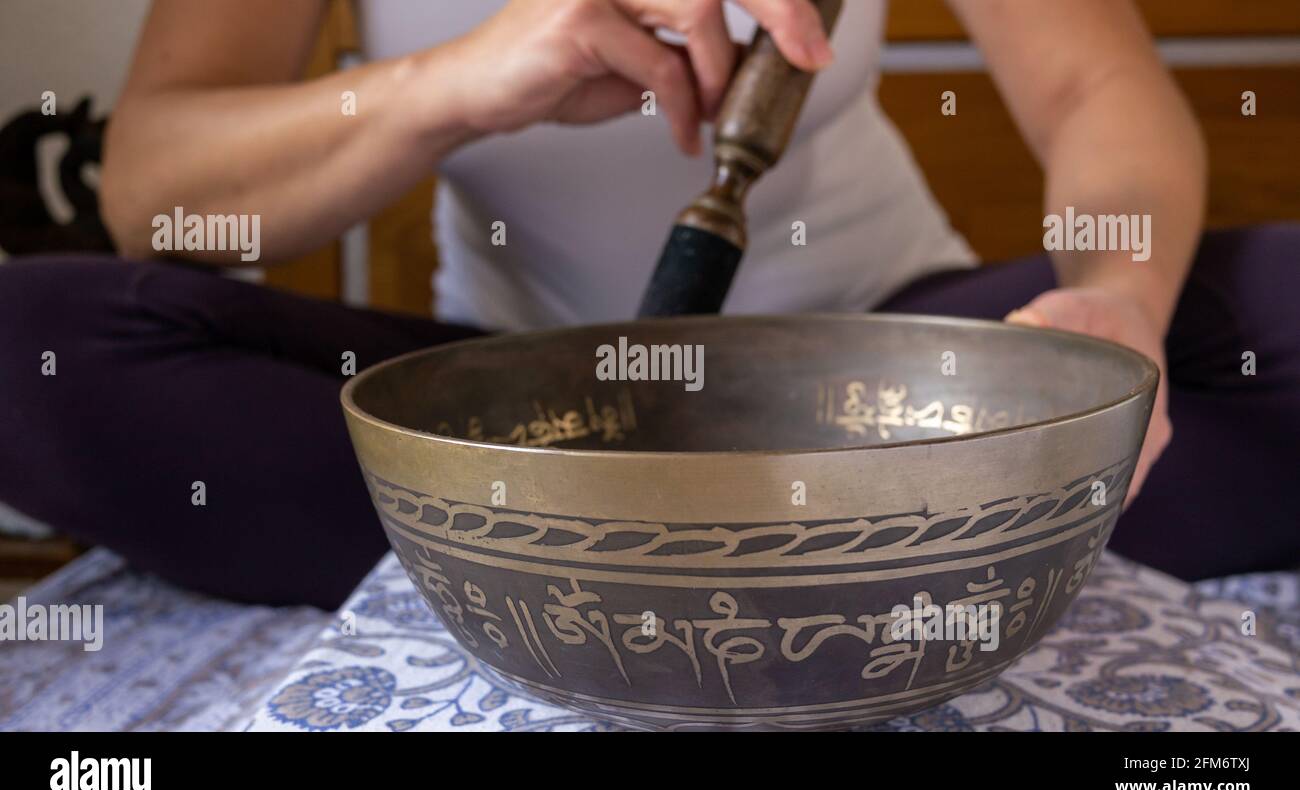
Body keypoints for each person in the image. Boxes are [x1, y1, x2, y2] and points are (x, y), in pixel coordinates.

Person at [1, 0, 1295, 608]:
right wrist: (461, 80)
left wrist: (1117, 310)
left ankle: (598, 577)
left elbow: (1096, 92)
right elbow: (155, 194)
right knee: (28, 338)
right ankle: (874, 556)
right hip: (512, 414)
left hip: (895, 381)